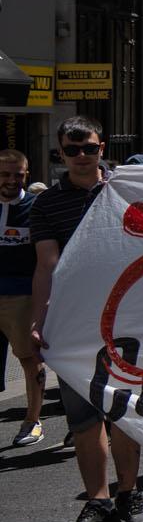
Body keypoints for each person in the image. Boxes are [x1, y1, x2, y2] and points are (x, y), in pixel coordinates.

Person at [32, 116, 143, 522]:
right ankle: (97, 502)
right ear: (60, 153)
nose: (82, 157)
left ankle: (130, 494)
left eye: (90, 148)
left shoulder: (127, 190)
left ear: (103, 148)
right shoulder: (46, 204)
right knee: (84, 419)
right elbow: (47, 266)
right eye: (72, 150)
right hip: (74, 324)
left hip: (129, 321)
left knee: (123, 415)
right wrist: (39, 321)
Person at [1, 149, 43, 447]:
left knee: (29, 360)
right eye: (5, 174)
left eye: (19, 174)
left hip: (22, 296)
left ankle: (33, 420)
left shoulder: (35, 208)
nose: (12, 180)